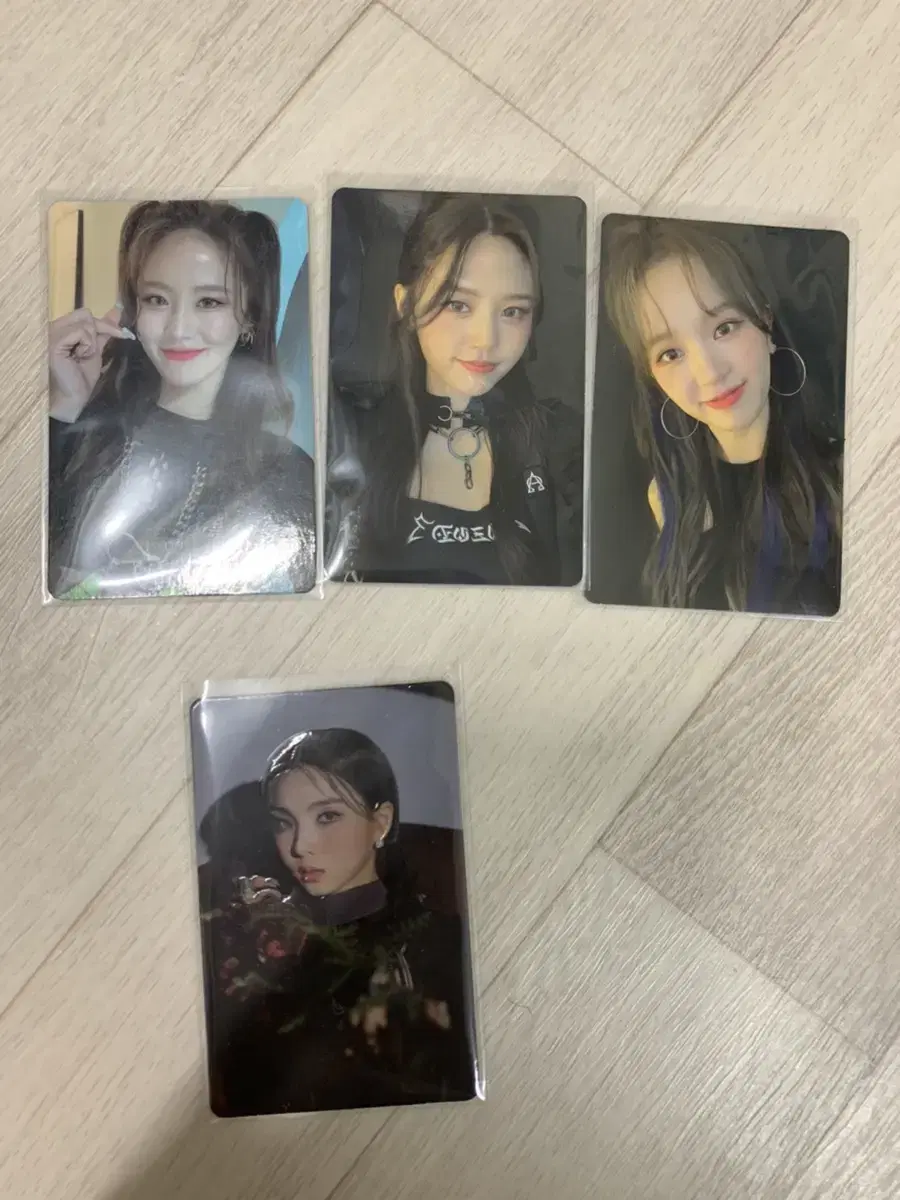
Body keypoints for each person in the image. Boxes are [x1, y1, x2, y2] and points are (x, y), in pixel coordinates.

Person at [199, 728, 477, 1116]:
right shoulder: (256, 936)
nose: (300, 846)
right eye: (283, 823)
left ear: (381, 822)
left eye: (327, 816)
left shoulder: (443, 942)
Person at [47, 200, 316, 599]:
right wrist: (65, 405)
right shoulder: (85, 430)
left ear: (249, 318)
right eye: (156, 299)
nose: (178, 329)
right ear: (133, 311)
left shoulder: (287, 475)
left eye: (209, 302)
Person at [327, 192, 583, 586]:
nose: (486, 339)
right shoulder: (348, 435)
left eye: (512, 311)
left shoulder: (559, 441)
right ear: (406, 303)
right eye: (458, 305)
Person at [603, 217, 842, 614]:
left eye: (724, 328)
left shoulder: (840, 480)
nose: (709, 372)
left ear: (765, 323)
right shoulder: (667, 498)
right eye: (671, 354)